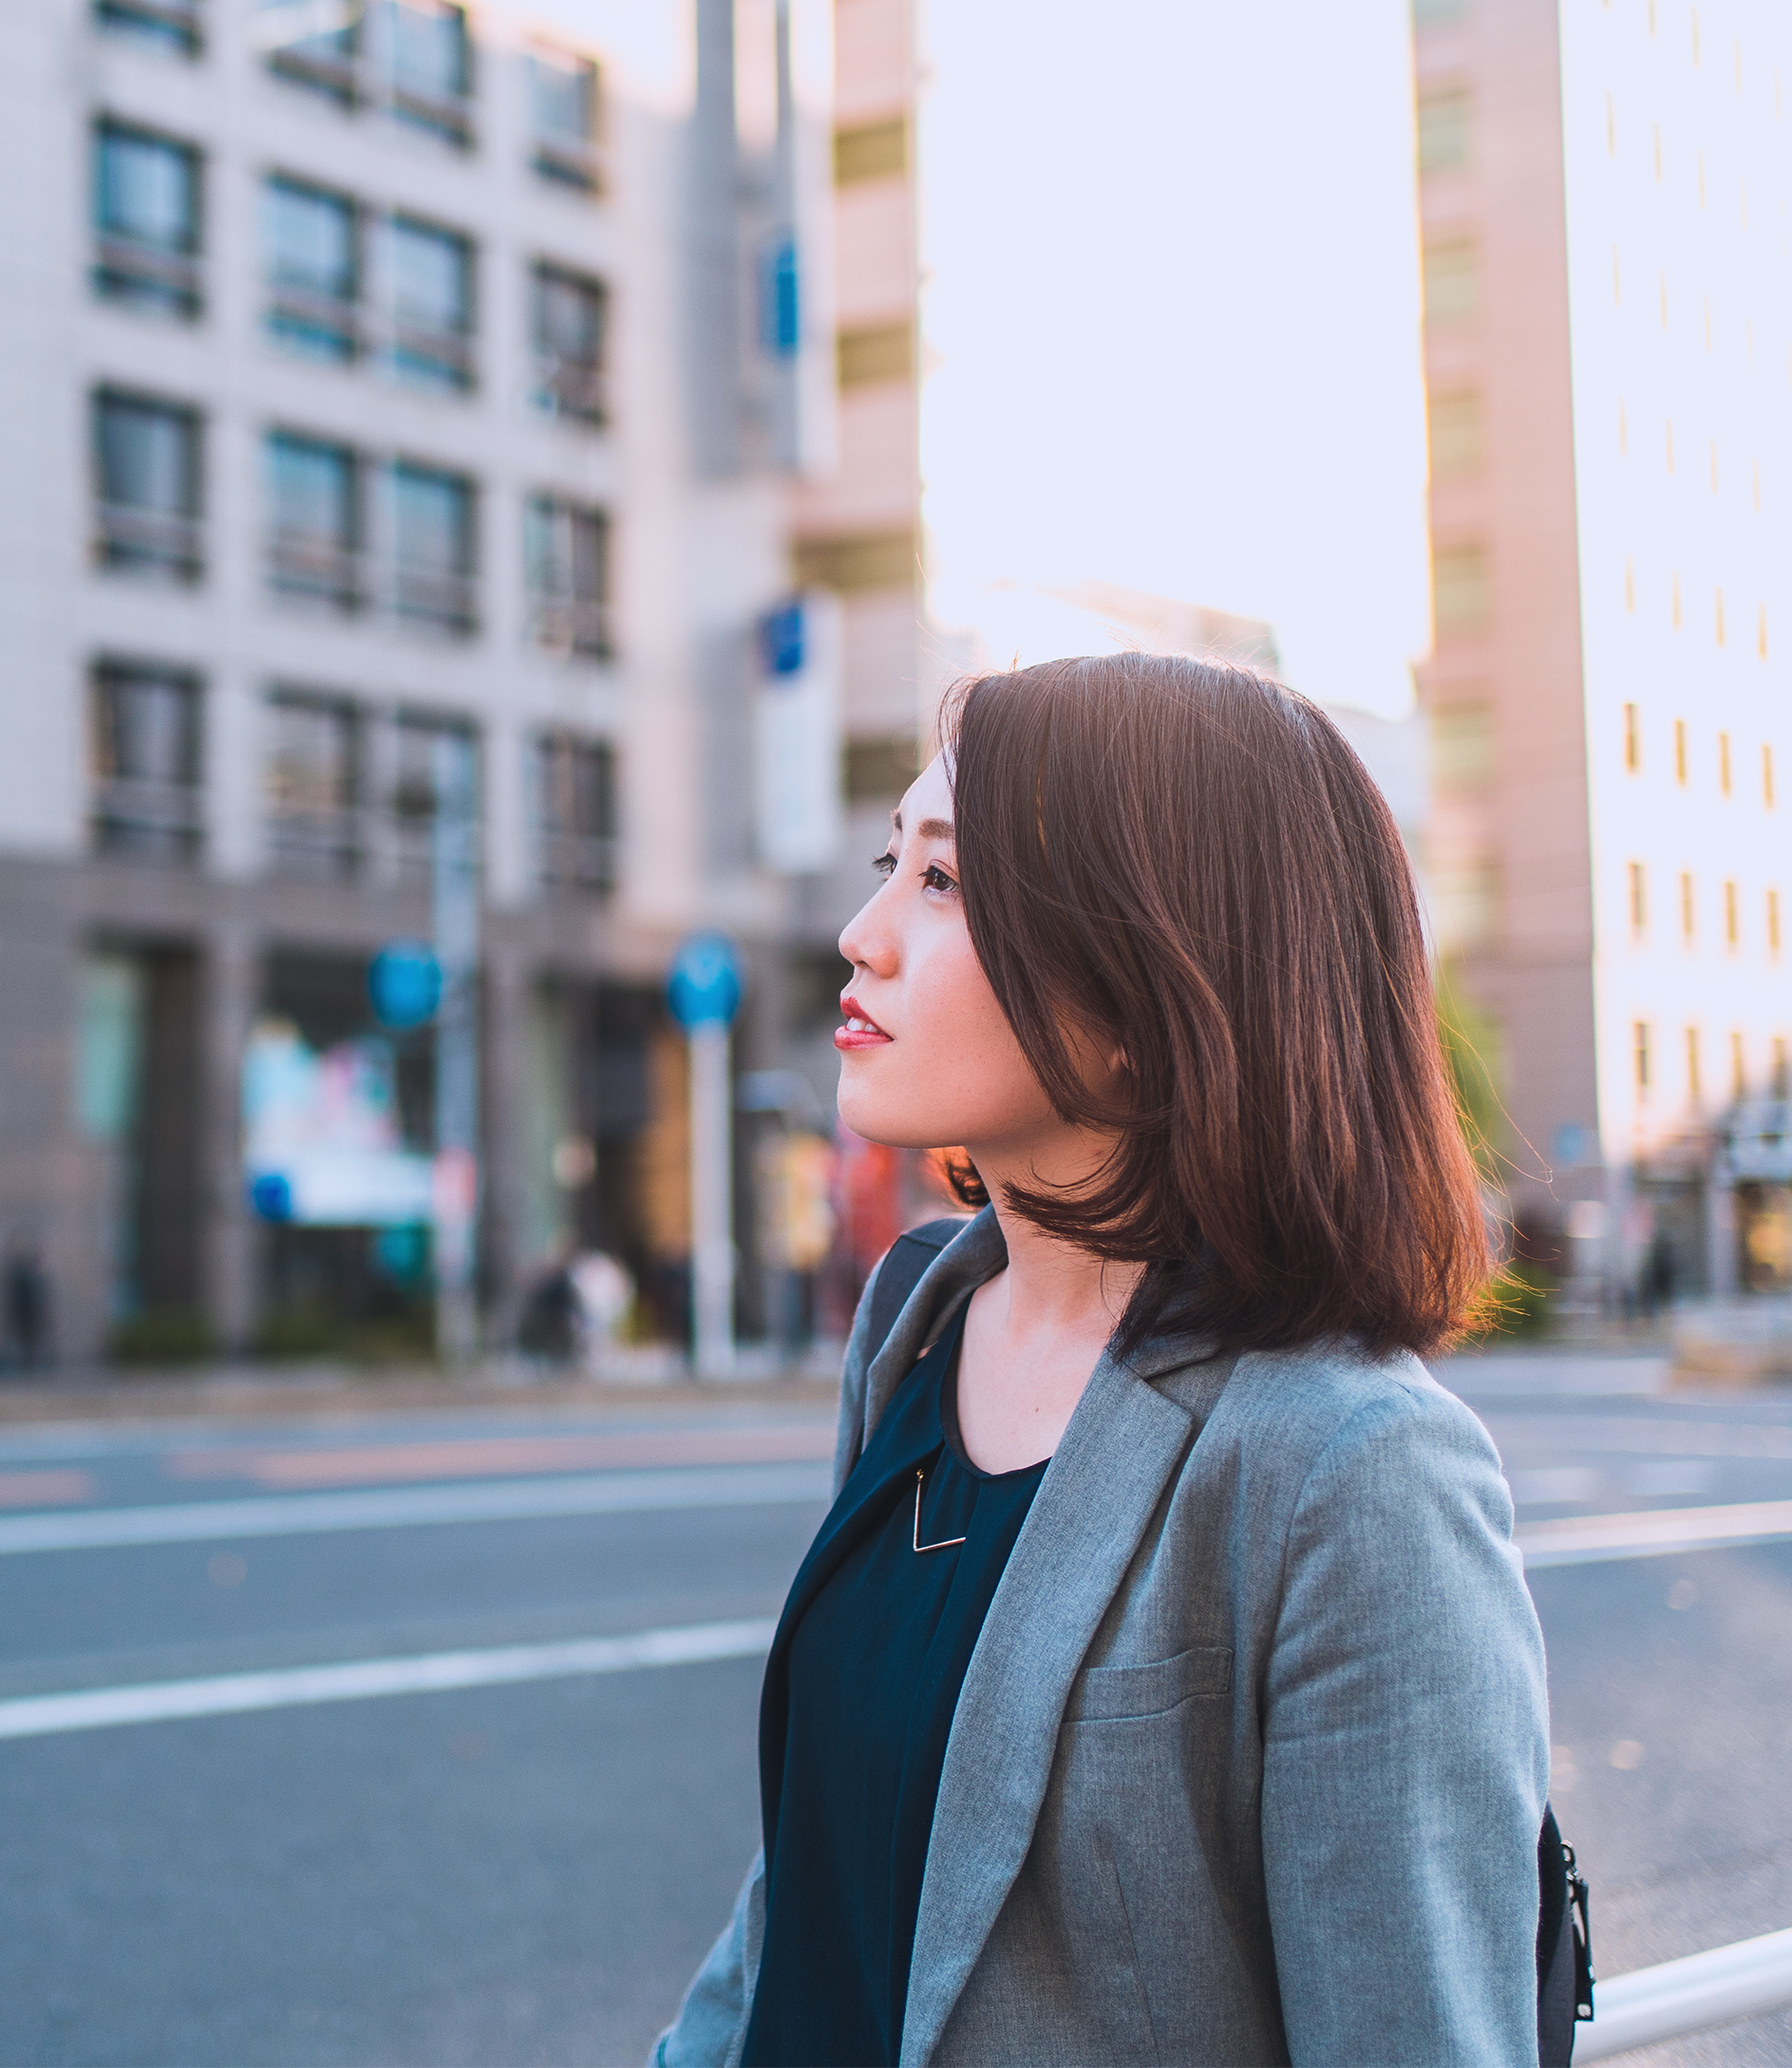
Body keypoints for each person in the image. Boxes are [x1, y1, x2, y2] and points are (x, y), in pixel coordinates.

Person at [654, 655, 1550, 2068]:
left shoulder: (1352, 1469)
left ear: (1147, 986)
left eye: (942, 884)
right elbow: (813, 1884)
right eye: (893, 863)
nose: (861, 934)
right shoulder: (921, 1328)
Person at [0, 1236, 54, 1372]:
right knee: (25, 1340)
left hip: (30, 1314)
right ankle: (26, 1363)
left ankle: (32, 1363)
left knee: (32, 1340)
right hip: (24, 1314)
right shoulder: (20, 1275)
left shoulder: (33, 1276)